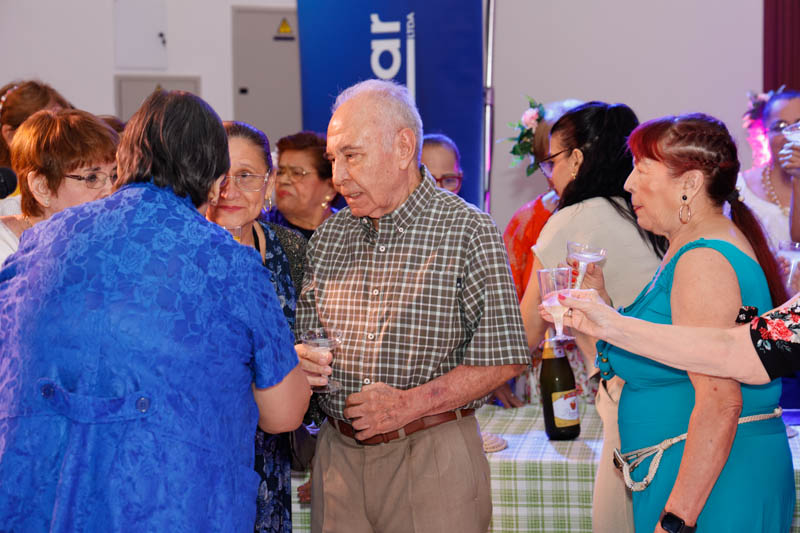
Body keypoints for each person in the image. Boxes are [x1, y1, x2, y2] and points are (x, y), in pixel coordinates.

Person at [0, 90, 311, 531]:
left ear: (124, 161)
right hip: (167, 501)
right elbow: (283, 414)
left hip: (38, 498)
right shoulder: (227, 261)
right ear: (217, 180)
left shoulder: (41, 241)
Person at [295, 79, 529, 533]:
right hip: (338, 463)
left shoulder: (468, 231)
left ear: (403, 148)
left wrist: (410, 404)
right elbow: (308, 343)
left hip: (431, 456)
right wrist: (302, 363)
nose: (338, 177)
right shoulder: (327, 238)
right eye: (332, 159)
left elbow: (504, 359)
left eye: (351, 155)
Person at [583, 113, 794, 532]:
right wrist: (600, 306)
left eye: (641, 169)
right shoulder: (694, 248)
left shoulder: (702, 259)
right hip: (702, 476)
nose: (627, 184)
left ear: (690, 184)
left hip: (713, 489)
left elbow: (720, 401)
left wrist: (677, 519)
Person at [518, 101, 666, 533]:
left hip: (623, 391)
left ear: (576, 159)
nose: (551, 175)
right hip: (669, 384)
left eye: (552, 161)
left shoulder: (572, 220)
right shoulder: (647, 217)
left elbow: (525, 330)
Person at [206, 120, 307, 533]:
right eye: (218, 176)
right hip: (204, 450)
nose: (229, 190)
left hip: (273, 454)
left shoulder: (292, 249)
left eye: (245, 176)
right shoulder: (182, 255)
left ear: (268, 185)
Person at [495, 98, 582, 408]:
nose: (550, 173)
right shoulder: (527, 220)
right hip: (541, 359)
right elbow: (506, 305)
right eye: (545, 162)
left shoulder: (602, 213)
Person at [0, 108, 118, 265]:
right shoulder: (5, 248)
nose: (111, 191)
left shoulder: (111, 235)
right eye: (92, 177)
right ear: (42, 187)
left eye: (115, 176)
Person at [264, 131, 337, 240]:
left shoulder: (350, 231)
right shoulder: (262, 230)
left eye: (297, 173)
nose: (283, 180)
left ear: (330, 188)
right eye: (280, 172)